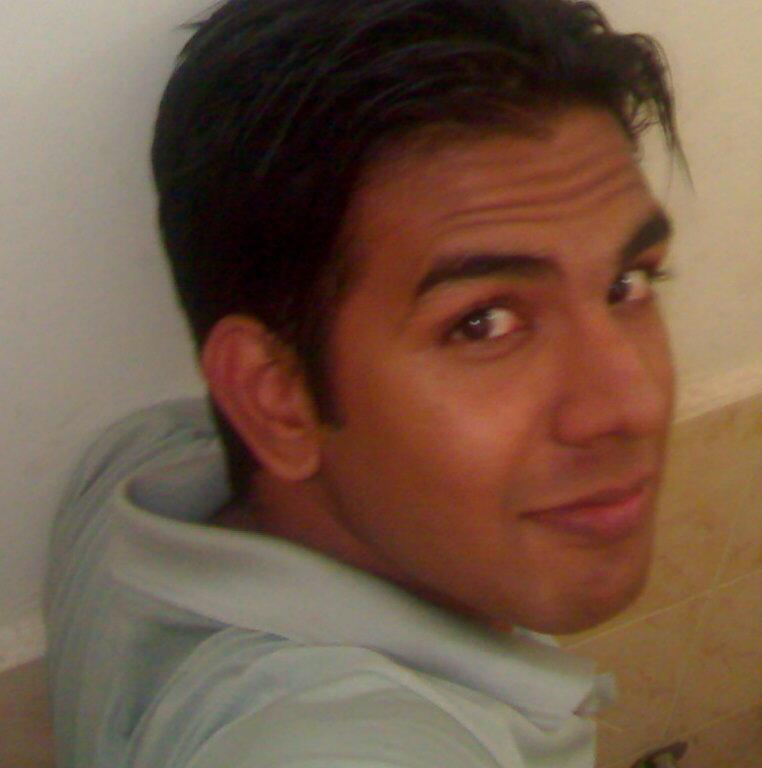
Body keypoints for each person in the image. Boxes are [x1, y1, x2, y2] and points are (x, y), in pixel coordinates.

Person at [44, 0, 687, 765]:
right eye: (481, 323)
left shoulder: (136, 466)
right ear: (274, 399)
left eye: (626, 284)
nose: (632, 404)